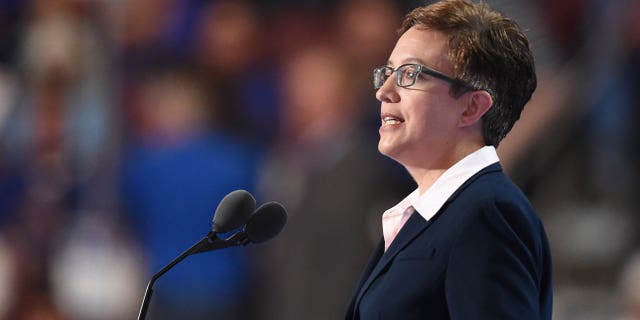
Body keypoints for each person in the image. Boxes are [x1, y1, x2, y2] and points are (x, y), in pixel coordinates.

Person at [344, 0, 553, 319]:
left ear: (471, 108)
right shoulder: (428, 215)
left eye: (409, 73)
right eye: (387, 72)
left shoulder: (488, 214)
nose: (384, 91)